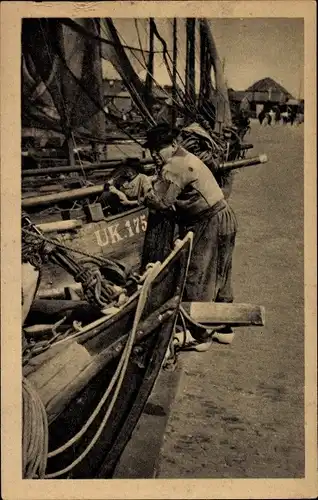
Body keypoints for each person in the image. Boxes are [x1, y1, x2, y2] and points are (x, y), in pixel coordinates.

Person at [140, 123, 238, 345]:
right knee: (221, 272)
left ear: (173, 144)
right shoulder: (187, 158)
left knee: (196, 274)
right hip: (224, 215)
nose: (154, 154)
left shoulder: (173, 166)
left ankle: (198, 335)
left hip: (208, 221)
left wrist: (143, 188)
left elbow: (162, 203)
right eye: (151, 150)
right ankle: (224, 327)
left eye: (159, 148)